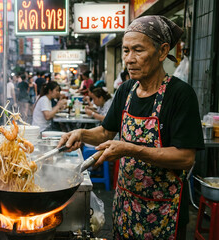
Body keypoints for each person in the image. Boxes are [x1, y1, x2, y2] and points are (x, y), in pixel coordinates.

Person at [58, 15, 204, 240]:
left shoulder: (180, 95)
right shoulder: (126, 90)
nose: (129, 59)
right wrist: (82, 134)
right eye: (126, 51)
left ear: (162, 51)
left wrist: (129, 149)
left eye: (138, 50)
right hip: (126, 205)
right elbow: (106, 132)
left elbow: (185, 158)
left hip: (164, 211)